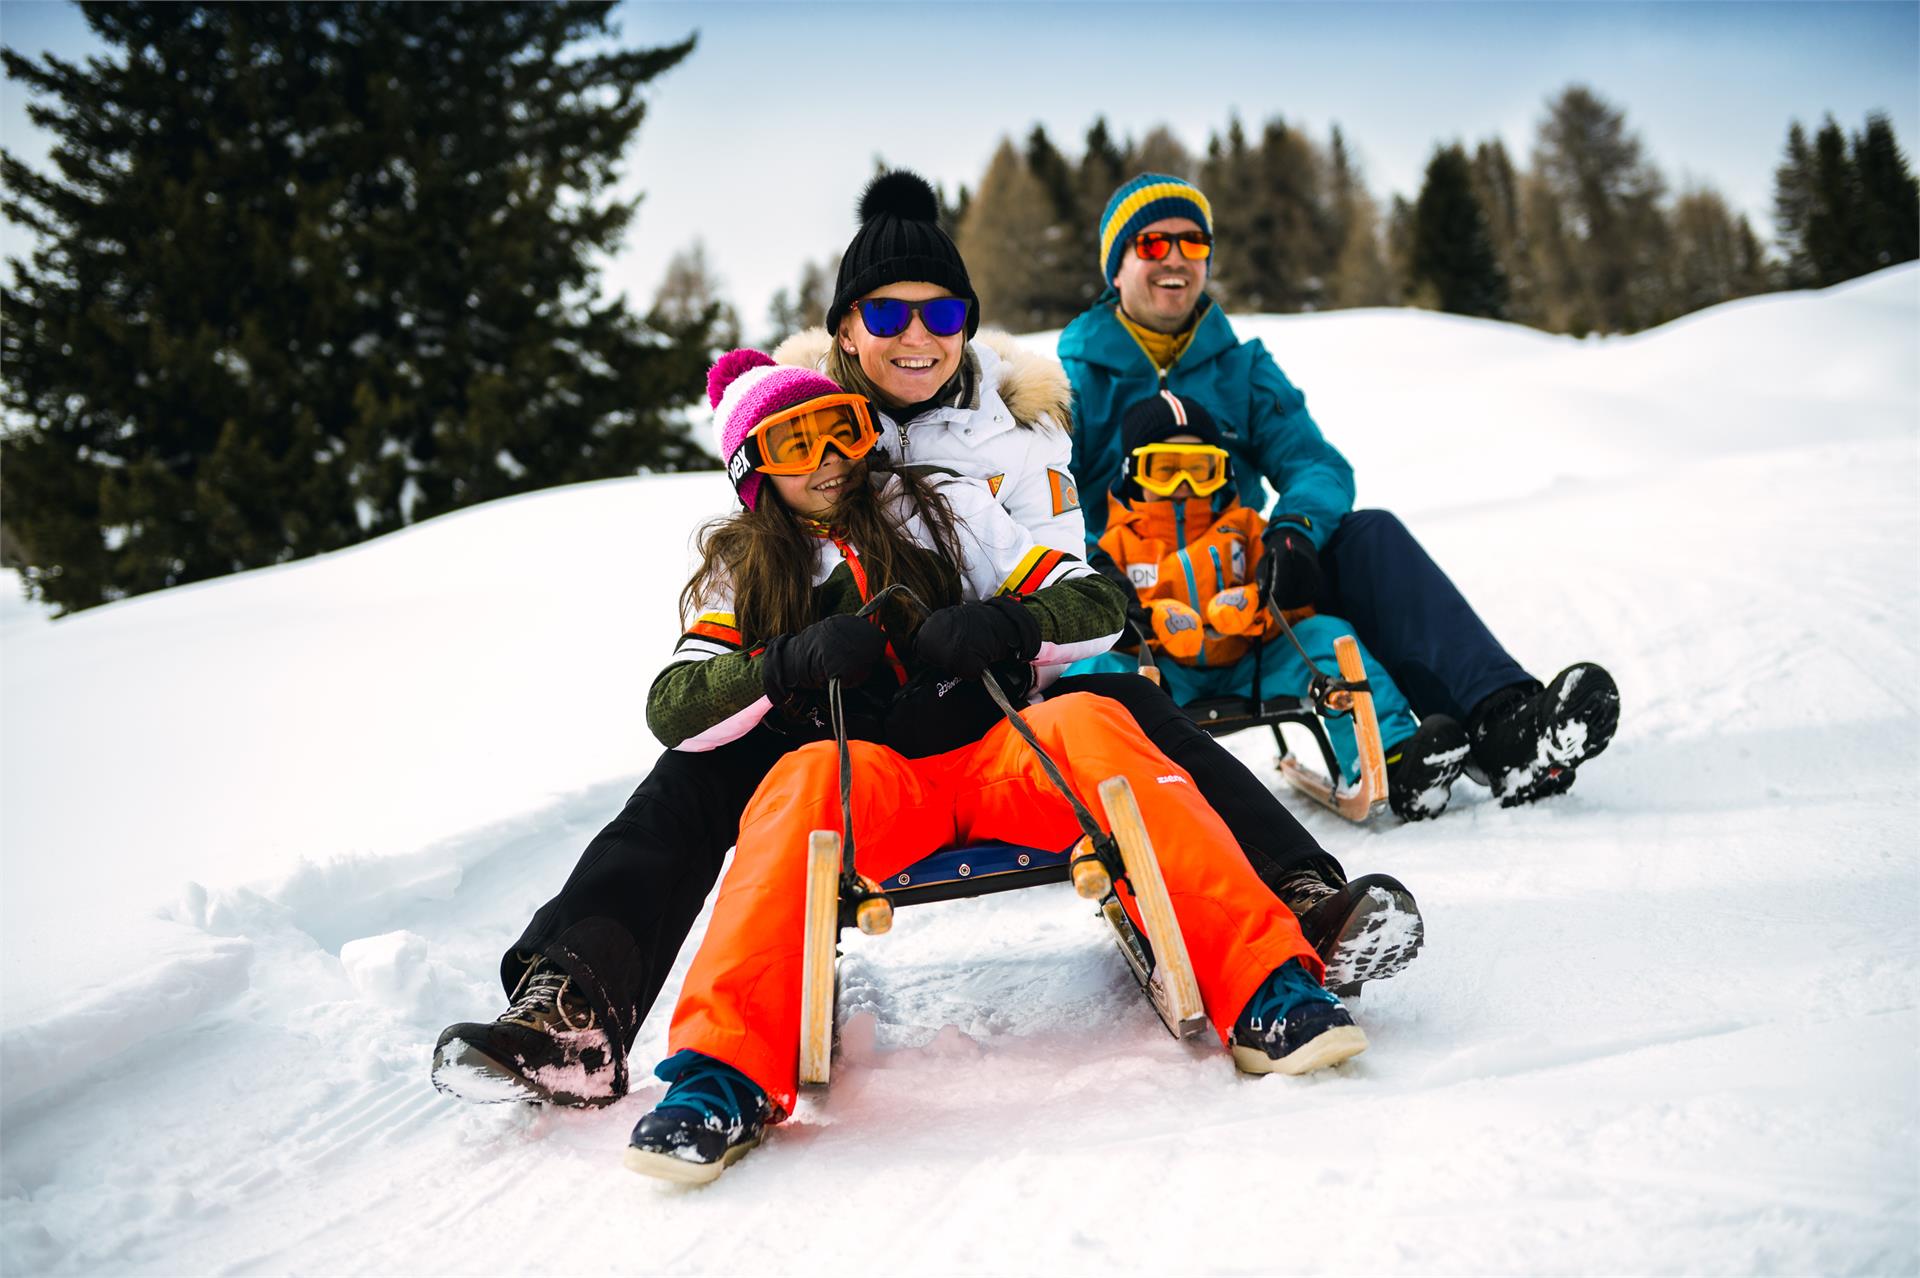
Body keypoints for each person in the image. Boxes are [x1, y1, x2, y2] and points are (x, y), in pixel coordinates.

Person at [430, 171, 1416, 1113]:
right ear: (843, 331)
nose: (917, 336)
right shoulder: (787, 419)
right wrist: (785, 664)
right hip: (835, 718)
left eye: (941, 315)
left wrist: (1016, 627)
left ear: (968, 328)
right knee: (687, 779)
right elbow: (741, 595)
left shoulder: (1016, 435)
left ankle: (1293, 899)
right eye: (888, 315)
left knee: (1124, 705)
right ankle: (575, 1008)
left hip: (989, 698)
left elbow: (1077, 585)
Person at [623, 349, 1367, 1184]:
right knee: (790, 787)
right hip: (868, 782)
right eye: (798, 444)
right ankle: (720, 1074)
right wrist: (780, 664)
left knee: (1094, 718)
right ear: (753, 469)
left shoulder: (938, 505)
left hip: (998, 750)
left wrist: (1008, 624)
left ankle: (1266, 985)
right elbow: (674, 708)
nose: (831, 458)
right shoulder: (742, 570)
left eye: (843, 429)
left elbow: (1095, 603)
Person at [1059, 174, 1620, 816]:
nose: (1177, 258)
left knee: (1368, 535)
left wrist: (1292, 530)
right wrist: (1093, 570)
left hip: (1248, 595)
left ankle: (1505, 727)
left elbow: (1315, 463)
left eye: (1194, 242)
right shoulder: (1074, 380)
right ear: (1118, 264)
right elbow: (1043, 499)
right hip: (1135, 615)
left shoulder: (1241, 368)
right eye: (1154, 244)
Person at [1071, 390, 1468, 821]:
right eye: (1165, 470)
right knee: (1092, 674)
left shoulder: (1246, 530)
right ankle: (1092, 785)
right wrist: (1145, 624)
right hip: (1164, 679)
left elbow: (1295, 604)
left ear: (1220, 473)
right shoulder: (1114, 547)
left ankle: (1393, 756)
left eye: (1200, 471)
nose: (1183, 486)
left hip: (1252, 666)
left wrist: (1259, 606)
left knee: (1327, 637)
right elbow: (1107, 618)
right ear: (1134, 473)